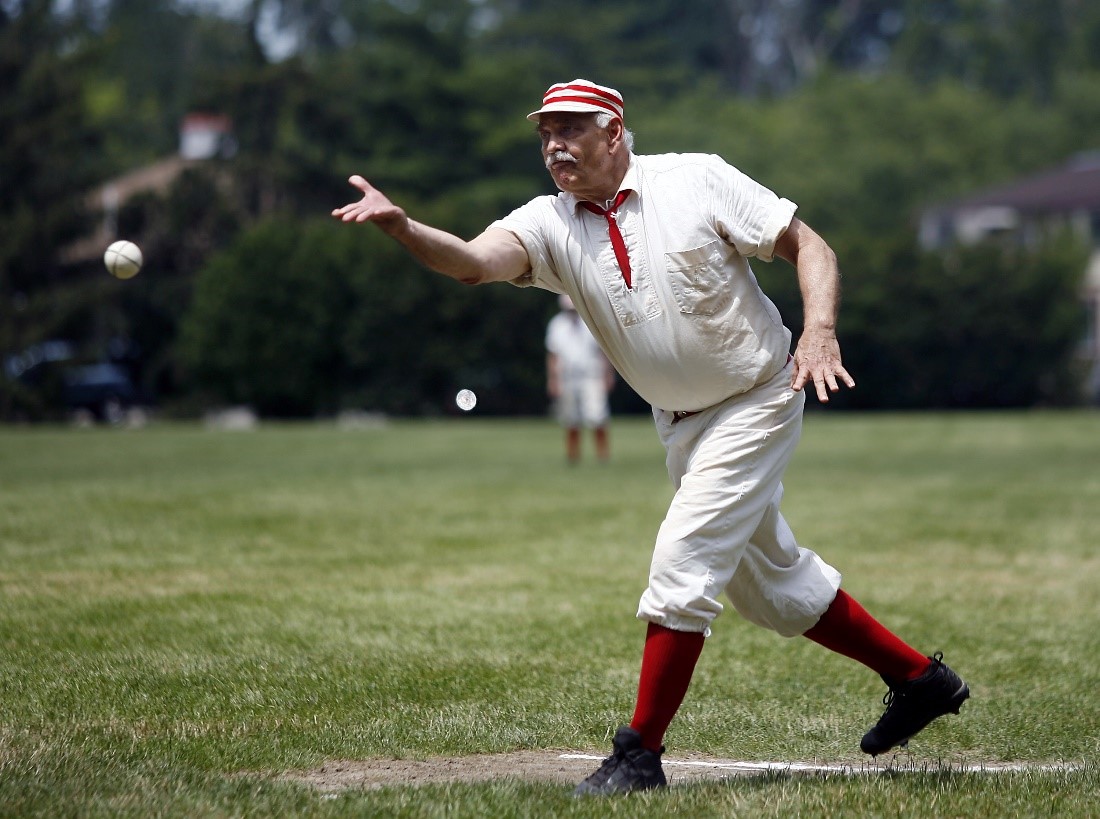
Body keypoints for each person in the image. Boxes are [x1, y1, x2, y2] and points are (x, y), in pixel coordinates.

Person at [332, 78, 970, 796]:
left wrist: (819, 330)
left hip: (759, 396)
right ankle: (921, 678)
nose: (553, 146)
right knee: (772, 590)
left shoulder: (695, 178)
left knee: (684, 554)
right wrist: (404, 227)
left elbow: (809, 245)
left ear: (613, 131)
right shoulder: (550, 220)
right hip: (681, 426)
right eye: (545, 133)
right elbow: (476, 263)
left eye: (570, 129)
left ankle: (639, 754)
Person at [546, 294, 615, 463]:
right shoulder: (557, 325)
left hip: (591, 376)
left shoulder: (590, 322)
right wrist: (553, 379)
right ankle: (573, 456)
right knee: (571, 418)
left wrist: (608, 375)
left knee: (597, 415)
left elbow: (603, 352)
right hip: (567, 377)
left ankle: (602, 455)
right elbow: (553, 355)